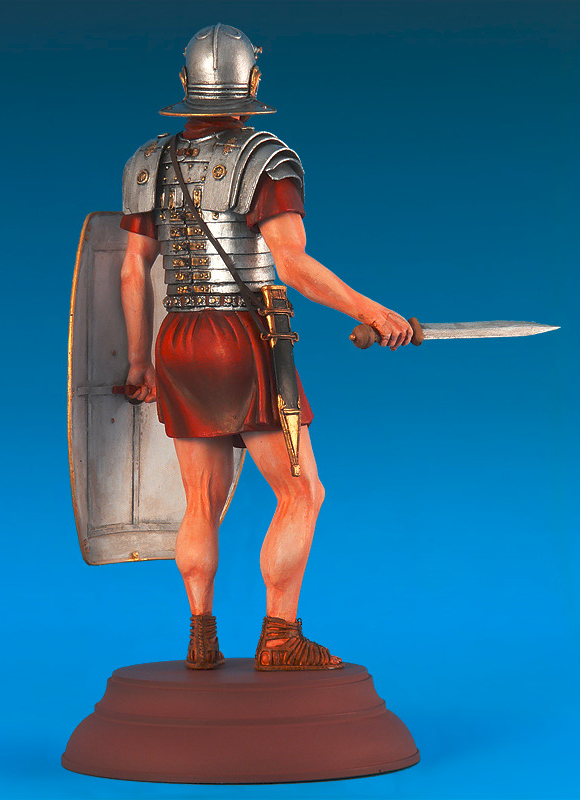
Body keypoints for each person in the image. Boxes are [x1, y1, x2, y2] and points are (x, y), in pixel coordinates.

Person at [120, 24, 412, 671]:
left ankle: (201, 638)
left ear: (185, 84)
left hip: (177, 341)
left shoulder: (146, 162)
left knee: (201, 501)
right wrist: (371, 310)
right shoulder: (265, 159)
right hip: (240, 339)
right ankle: (279, 637)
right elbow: (293, 266)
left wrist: (139, 363)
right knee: (302, 492)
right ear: (251, 83)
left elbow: (131, 268)